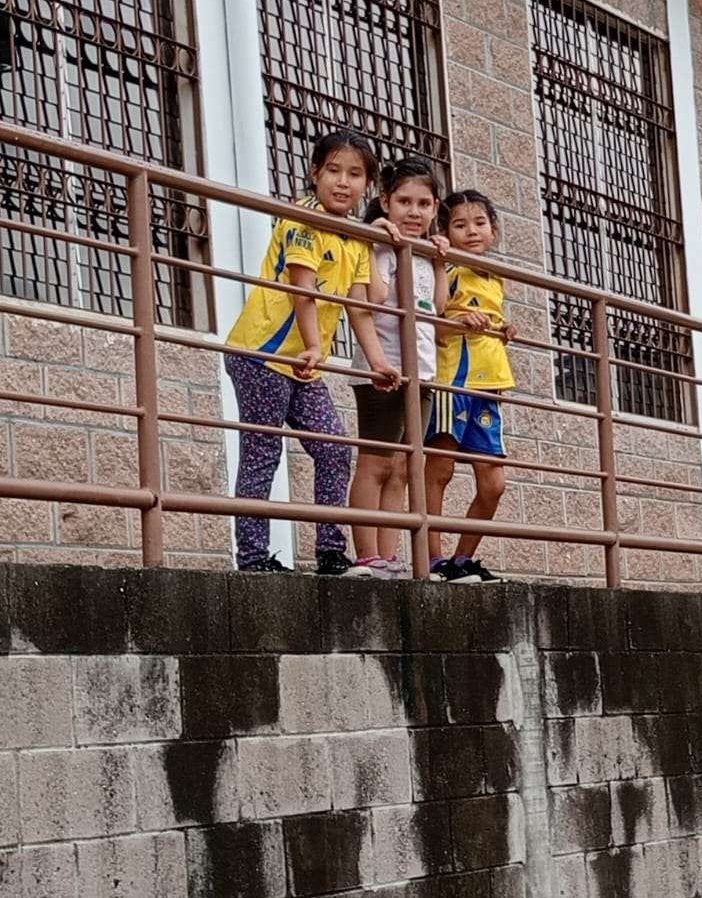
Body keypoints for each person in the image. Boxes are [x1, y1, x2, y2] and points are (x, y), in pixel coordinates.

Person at [222, 129, 398, 575]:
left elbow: (362, 307)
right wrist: (318, 346)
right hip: (262, 353)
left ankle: (329, 552)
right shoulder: (303, 217)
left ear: (368, 187)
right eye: (334, 171)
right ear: (314, 173)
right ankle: (253, 559)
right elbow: (302, 290)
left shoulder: (353, 237)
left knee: (334, 450)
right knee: (263, 451)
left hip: (304, 363)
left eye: (355, 174)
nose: (343, 182)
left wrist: (379, 363)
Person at [346, 157, 449, 577]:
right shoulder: (379, 246)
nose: (414, 211)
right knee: (376, 462)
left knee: (405, 466)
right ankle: (367, 553)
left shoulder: (425, 255)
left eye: (424, 204)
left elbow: (439, 311)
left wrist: (441, 263)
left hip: (421, 370)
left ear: (435, 209)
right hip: (383, 368)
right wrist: (374, 237)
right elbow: (372, 295)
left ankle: (388, 557)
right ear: (385, 202)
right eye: (404, 201)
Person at [425, 190, 517, 584]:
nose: (471, 231)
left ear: (493, 230)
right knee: (439, 470)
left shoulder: (494, 278)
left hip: (489, 386)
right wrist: (462, 323)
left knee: (494, 484)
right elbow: (428, 321)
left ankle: (462, 560)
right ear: (445, 231)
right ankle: (431, 560)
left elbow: (488, 319)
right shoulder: (446, 269)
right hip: (452, 381)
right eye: (459, 225)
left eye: (479, 223)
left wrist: (502, 329)